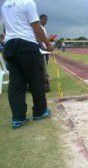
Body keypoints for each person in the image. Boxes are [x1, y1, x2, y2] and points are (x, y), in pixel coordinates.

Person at [1, 0, 54, 129]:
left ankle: (18, 118)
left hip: (9, 46)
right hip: (26, 45)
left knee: (16, 83)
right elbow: (37, 27)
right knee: (36, 79)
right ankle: (40, 112)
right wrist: (48, 44)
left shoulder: (5, 5)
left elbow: (5, 28)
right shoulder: (28, 2)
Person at [39, 14, 51, 92]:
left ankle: (45, 81)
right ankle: (44, 83)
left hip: (45, 50)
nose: (45, 21)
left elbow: (44, 39)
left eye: (46, 19)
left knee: (45, 64)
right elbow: (38, 37)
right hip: (41, 49)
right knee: (42, 67)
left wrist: (50, 40)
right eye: (43, 19)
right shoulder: (39, 27)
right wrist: (41, 45)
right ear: (40, 19)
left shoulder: (43, 28)